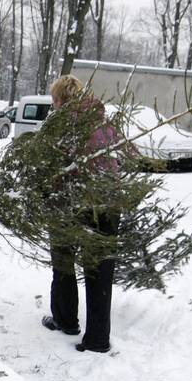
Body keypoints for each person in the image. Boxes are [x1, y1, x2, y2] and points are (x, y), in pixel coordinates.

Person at [40, 75, 121, 354]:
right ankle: (98, 338)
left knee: (63, 259)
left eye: (54, 100)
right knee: (100, 271)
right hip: (109, 203)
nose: (53, 105)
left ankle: (66, 319)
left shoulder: (63, 123)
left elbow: (52, 165)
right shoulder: (103, 120)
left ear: (61, 98)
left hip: (74, 203)